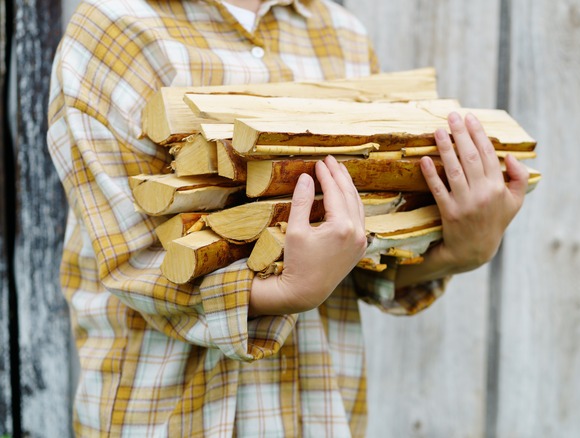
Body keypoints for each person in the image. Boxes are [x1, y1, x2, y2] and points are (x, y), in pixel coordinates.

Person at [47, 0, 529, 435]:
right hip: (170, 415)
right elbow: (134, 264)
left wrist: (459, 253)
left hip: (322, 411)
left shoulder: (342, 34)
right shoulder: (117, 29)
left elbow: (364, 258)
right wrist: (289, 291)